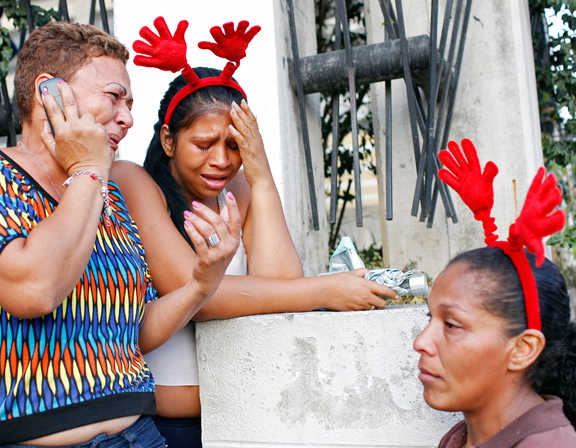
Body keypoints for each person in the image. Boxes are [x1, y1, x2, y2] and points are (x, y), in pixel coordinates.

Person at [0, 21, 240, 448]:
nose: (128, 118)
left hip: (139, 436)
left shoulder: (107, 192)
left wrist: (201, 284)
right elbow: (34, 290)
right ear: (49, 92)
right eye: (114, 97)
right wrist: (87, 170)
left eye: (130, 103)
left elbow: (129, 332)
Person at [110, 17, 399, 447]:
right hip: (168, 428)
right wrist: (324, 291)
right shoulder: (133, 182)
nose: (221, 160)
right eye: (204, 145)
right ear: (169, 140)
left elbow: (280, 288)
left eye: (234, 145)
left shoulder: (240, 187)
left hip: (250, 417)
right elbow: (197, 296)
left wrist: (261, 176)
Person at [414, 138, 576, 447]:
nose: (420, 342)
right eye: (430, 317)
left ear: (523, 348)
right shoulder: (459, 438)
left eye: (451, 325)